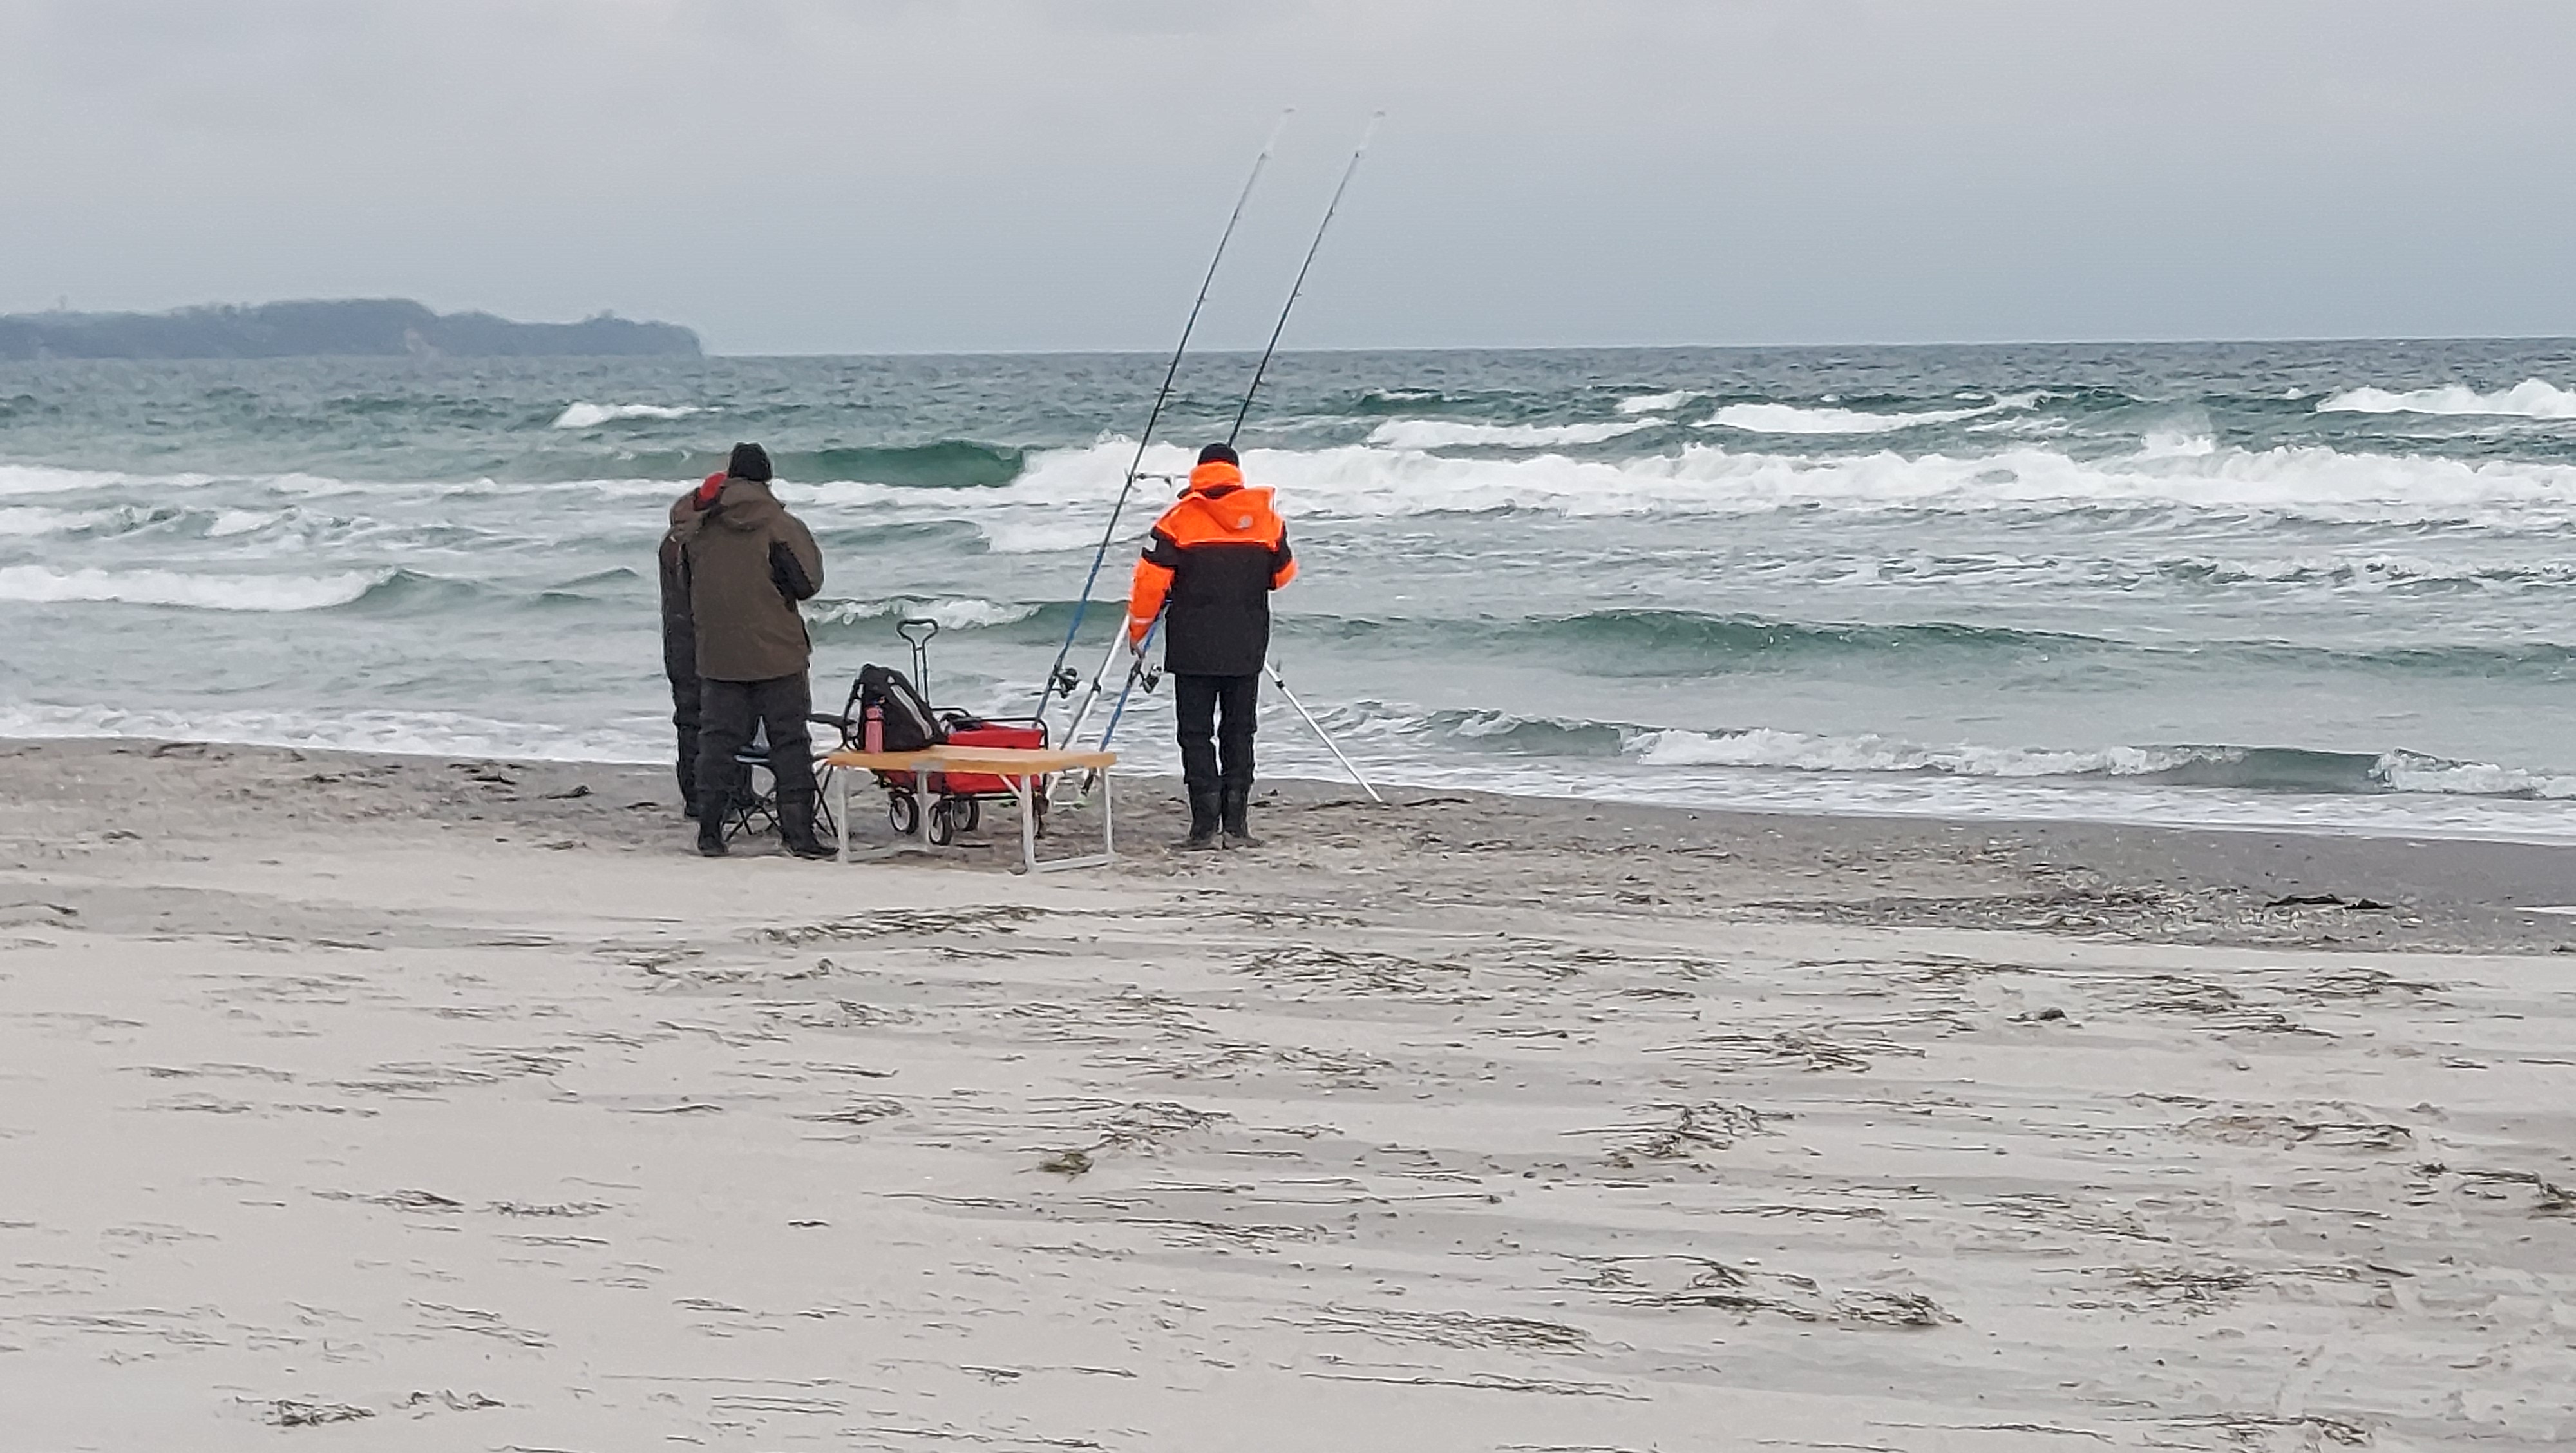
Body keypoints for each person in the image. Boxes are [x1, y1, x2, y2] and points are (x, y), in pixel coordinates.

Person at [1126, 442, 1296, 850]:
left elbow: (1150, 584)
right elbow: (1284, 574)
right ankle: (1237, 826)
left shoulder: (1177, 520)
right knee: (1240, 732)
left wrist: (1138, 632)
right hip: (1247, 644)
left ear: (1199, 473)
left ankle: (1203, 826)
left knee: (1196, 734)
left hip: (1192, 648)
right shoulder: (1266, 519)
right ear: (1236, 472)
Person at [672, 442, 833, 859]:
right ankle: (799, 835)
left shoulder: (699, 528)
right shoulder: (779, 524)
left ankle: (710, 833)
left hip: (717, 655)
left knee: (717, 744)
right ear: (766, 478)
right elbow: (807, 583)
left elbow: (684, 581)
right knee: (789, 742)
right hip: (777, 652)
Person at [658, 471, 725, 815]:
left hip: (678, 637)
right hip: (699, 637)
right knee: (718, 720)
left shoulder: (674, 538)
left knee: (690, 719)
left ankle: (695, 798)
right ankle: (715, 796)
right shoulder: (697, 542)